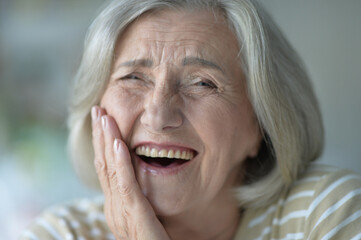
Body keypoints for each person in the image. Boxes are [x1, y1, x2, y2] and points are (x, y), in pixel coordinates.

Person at [20, 0, 361, 239]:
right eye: (133, 78)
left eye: (202, 83)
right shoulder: (63, 234)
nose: (158, 115)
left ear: (261, 123)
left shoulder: (329, 214)